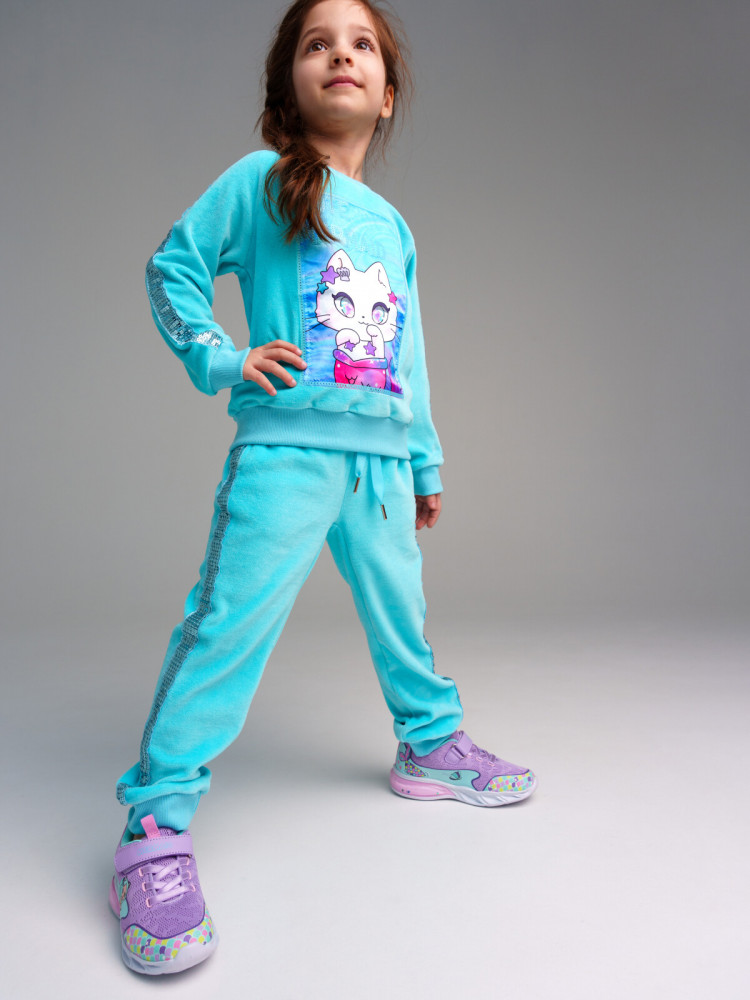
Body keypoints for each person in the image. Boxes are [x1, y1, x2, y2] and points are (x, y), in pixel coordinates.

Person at [110, 0, 536, 976]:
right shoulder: (259, 184)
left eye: (362, 45)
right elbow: (172, 269)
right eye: (317, 43)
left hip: (379, 465)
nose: (341, 54)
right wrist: (222, 358)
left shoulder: (394, 227)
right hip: (287, 454)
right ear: (289, 83)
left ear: (385, 95)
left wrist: (423, 459)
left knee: (401, 612)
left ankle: (429, 743)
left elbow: (410, 353)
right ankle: (154, 825)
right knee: (228, 625)